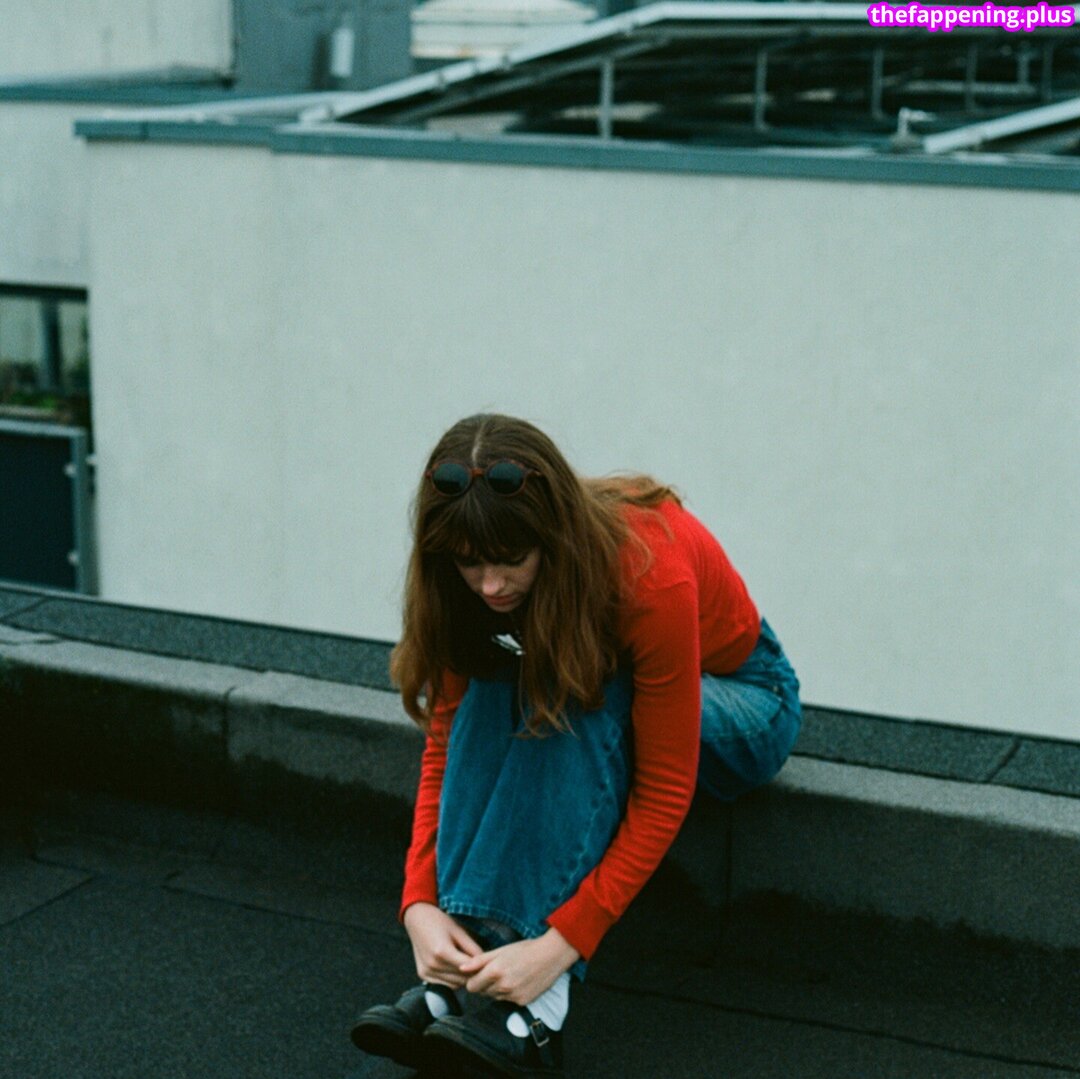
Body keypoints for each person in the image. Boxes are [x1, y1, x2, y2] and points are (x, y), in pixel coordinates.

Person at [351, 413, 801, 1077]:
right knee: (502, 684)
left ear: (552, 536)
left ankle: (534, 1010)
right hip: (613, 683)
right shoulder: (465, 589)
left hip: (747, 701)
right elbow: (445, 742)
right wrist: (418, 901)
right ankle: (460, 977)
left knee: (585, 688)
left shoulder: (648, 570)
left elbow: (665, 787)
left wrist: (560, 946)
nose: (491, 585)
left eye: (511, 560)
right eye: (471, 563)